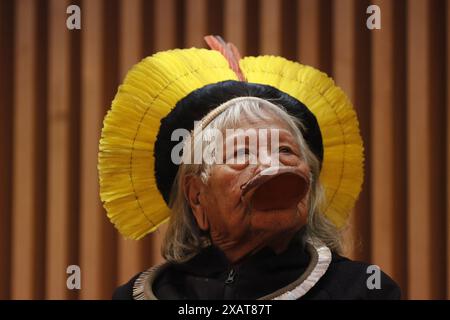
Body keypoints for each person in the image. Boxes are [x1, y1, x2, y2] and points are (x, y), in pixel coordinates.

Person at [98, 35, 400, 300]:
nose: (272, 166)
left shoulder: (362, 291)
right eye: (242, 153)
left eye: (285, 150)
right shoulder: (141, 295)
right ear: (196, 196)